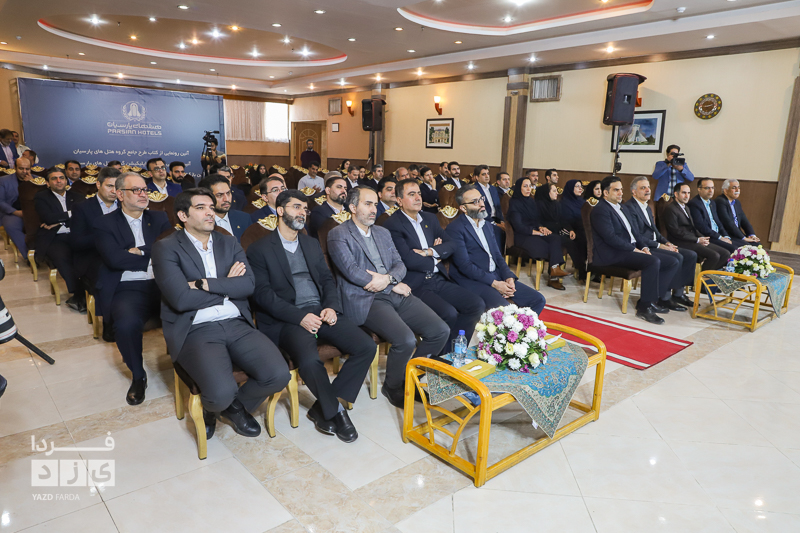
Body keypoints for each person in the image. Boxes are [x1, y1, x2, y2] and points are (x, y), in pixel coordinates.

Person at [152, 188, 290, 439]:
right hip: (195, 328)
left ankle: (226, 409)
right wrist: (227, 287)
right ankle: (223, 406)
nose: (210, 212)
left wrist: (204, 284)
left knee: (278, 375)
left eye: (211, 207)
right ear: (183, 215)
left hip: (236, 322)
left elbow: (247, 285)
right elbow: (181, 299)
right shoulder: (166, 247)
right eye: (201, 208)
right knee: (220, 393)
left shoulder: (229, 242)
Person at [247, 190, 375, 442]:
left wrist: (331, 306)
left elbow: (327, 279)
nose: (302, 213)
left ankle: (321, 407)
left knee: (366, 346)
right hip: (288, 318)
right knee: (309, 360)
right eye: (296, 207)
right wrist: (299, 317)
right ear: (280, 210)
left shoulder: (310, 243)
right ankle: (336, 413)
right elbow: (263, 295)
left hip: (320, 310)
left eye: (304, 209)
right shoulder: (259, 249)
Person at [327, 186, 449, 409]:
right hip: (366, 298)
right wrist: (389, 283)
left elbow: (399, 264)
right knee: (406, 340)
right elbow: (351, 271)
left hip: (393, 290)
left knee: (440, 331)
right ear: (352, 207)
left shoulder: (382, 232)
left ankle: (411, 378)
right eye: (367, 204)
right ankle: (393, 386)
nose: (374, 209)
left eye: (375, 204)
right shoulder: (338, 234)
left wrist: (389, 280)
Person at [94, 172, 171, 405]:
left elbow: (169, 251)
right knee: (126, 325)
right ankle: (138, 376)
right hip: (128, 286)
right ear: (120, 194)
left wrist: (139, 251)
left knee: (192, 310)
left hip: (163, 282)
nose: (143, 194)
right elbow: (115, 259)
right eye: (136, 190)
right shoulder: (104, 223)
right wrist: (151, 254)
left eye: (145, 190)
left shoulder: (159, 218)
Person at [385, 179, 484, 353]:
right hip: (415, 284)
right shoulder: (392, 224)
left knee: (476, 304)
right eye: (411, 194)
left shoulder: (430, 218)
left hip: (437, 278)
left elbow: (451, 245)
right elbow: (408, 260)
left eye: (419, 193)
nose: (418, 198)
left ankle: (451, 354)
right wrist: (437, 257)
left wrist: (429, 251)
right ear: (399, 200)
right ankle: (429, 360)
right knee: (449, 313)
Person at [590, 176, 678, 324]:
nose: (620, 193)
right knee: (652, 261)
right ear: (605, 193)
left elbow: (635, 233)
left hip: (628, 249)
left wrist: (643, 247)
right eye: (616, 190)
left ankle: (653, 299)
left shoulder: (622, 207)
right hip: (612, 254)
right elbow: (611, 238)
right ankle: (644, 308)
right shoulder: (600, 210)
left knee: (672, 261)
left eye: (621, 189)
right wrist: (634, 249)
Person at [445, 185, 545, 313]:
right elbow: (465, 266)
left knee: (538, 299)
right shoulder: (455, 229)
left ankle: (523, 327)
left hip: (495, 275)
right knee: (506, 310)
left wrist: (509, 277)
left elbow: (497, 256)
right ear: (463, 208)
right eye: (475, 202)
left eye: (481, 199)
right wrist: (495, 283)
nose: (482, 204)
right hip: (472, 280)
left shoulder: (487, 225)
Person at [623, 176, 695, 309]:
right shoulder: (629, 208)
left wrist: (667, 243)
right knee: (676, 258)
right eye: (643, 188)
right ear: (634, 192)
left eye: (648, 187)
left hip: (653, 243)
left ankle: (677, 294)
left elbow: (655, 231)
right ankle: (663, 297)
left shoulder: (646, 206)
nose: (648, 190)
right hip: (643, 246)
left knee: (690, 255)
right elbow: (636, 235)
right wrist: (659, 245)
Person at [71, 166, 119, 340]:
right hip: (92, 257)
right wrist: (104, 237)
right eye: (109, 186)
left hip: (122, 253)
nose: (114, 191)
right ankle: (109, 324)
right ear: (98, 185)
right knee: (110, 274)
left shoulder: (125, 205)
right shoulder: (82, 208)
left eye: (117, 187)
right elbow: (76, 242)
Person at [506, 177, 570, 289]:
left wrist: (541, 227)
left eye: (530, 186)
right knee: (545, 247)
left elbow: (536, 219)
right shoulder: (514, 203)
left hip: (535, 231)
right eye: (525, 186)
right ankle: (554, 275)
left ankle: (555, 269)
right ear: (519, 188)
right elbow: (518, 226)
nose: (528, 189)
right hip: (522, 235)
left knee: (555, 238)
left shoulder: (531, 201)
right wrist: (534, 232)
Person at [34, 168, 84, 311]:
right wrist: (71, 214)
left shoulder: (78, 196)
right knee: (63, 257)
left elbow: (84, 216)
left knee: (88, 255)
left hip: (76, 234)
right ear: (48, 183)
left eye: (61, 178)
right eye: (54, 178)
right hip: (54, 237)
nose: (58, 181)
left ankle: (87, 292)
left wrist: (60, 221)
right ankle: (78, 294)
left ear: (66, 180)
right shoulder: (41, 197)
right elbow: (48, 218)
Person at [662, 182, 730, 272]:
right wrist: (697, 240)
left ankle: (709, 276)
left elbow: (693, 227)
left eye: (688, 193)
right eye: (684, 193)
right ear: (676, 194)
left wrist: (702, 238)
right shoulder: (671, 209)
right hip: (680, 241)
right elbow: (676, 231)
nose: (687, 196)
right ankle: (702, 279)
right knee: (714, 256)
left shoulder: (686, 207)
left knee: (725, 253)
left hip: (693, 239)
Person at [535, 182, 587, 285]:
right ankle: (553, 276)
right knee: (559, 243)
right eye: (554, 191)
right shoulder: (539, 205)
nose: (557, 193)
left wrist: (570, 230)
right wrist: (541, 227)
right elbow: (535, 221)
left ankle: (582, 271)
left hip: (556, 232)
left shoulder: (556, 204)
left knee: (574, 242)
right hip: (544, 234)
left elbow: (562, 220)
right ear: (547, 193)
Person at [688, 178, 745, 253]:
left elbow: (718, 222)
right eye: (707, 188)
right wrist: (720, 238)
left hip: (718, 235)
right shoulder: (694, 204)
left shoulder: (712, 203)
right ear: (699, 189)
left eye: (712, 188)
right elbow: (702, 227)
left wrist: (726, 236)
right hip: (708, 237)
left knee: (745, 246)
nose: (711, 191)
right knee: (734, 249)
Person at [198, 174, 252, 242]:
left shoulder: (244, 218)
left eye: (228, 193)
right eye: (219, 195)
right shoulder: (199, 223)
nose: (226, 199)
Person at [0, 157, 32, 258]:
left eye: (27, 169)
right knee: (11, 226)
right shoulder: (3, 181)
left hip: (34, 213)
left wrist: (32, 184)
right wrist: (15, 212)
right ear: (15, 167)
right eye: (21, 168)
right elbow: (1, 201)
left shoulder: (37, 180)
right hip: (13, 213)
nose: (25, 171)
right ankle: (29, 255)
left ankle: (44, 254)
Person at [472, 165, 504, 242]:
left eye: (488, 174)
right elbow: (478, 210)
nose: (487, 176)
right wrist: (494, 224)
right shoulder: (474, 189)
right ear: (477, 177)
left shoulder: (493, 189)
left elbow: (498, 207)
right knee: (497, 232)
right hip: (483, 220)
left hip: (496, 219)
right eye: (483, 174)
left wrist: (502, 221)